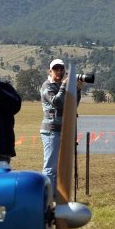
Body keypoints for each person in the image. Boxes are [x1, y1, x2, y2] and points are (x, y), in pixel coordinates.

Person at [40, 58, 83, 187]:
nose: (59, 71)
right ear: (50, 71)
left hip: (64, 130)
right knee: (50, 167)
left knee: (62, 167)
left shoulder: (62, 86)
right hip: (51, 130)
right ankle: (48, 198)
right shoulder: (47, 85)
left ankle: (59, 197)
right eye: (56, 69)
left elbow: (73, 105)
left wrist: (78, 89)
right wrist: (64, 85)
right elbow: (57, 102)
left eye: (61, 69)